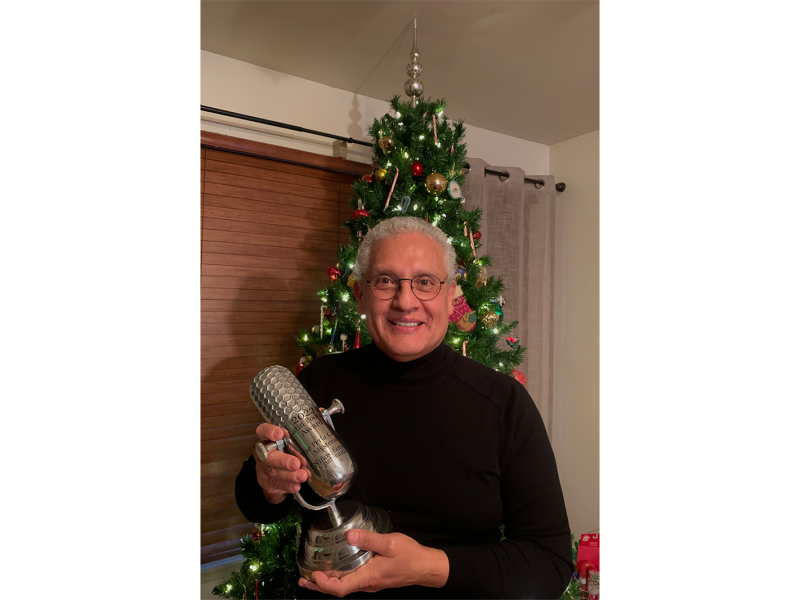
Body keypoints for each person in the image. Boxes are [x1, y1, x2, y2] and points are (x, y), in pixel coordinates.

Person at [235, 216, 573, 599]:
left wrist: (429, 568)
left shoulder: (504, 404)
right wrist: (270, 485)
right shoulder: (319, 381)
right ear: (360, 294)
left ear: (451, 296)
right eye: (385, 281)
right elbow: (255, 504)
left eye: (425, 282)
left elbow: (550, 560)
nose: (406, 301)